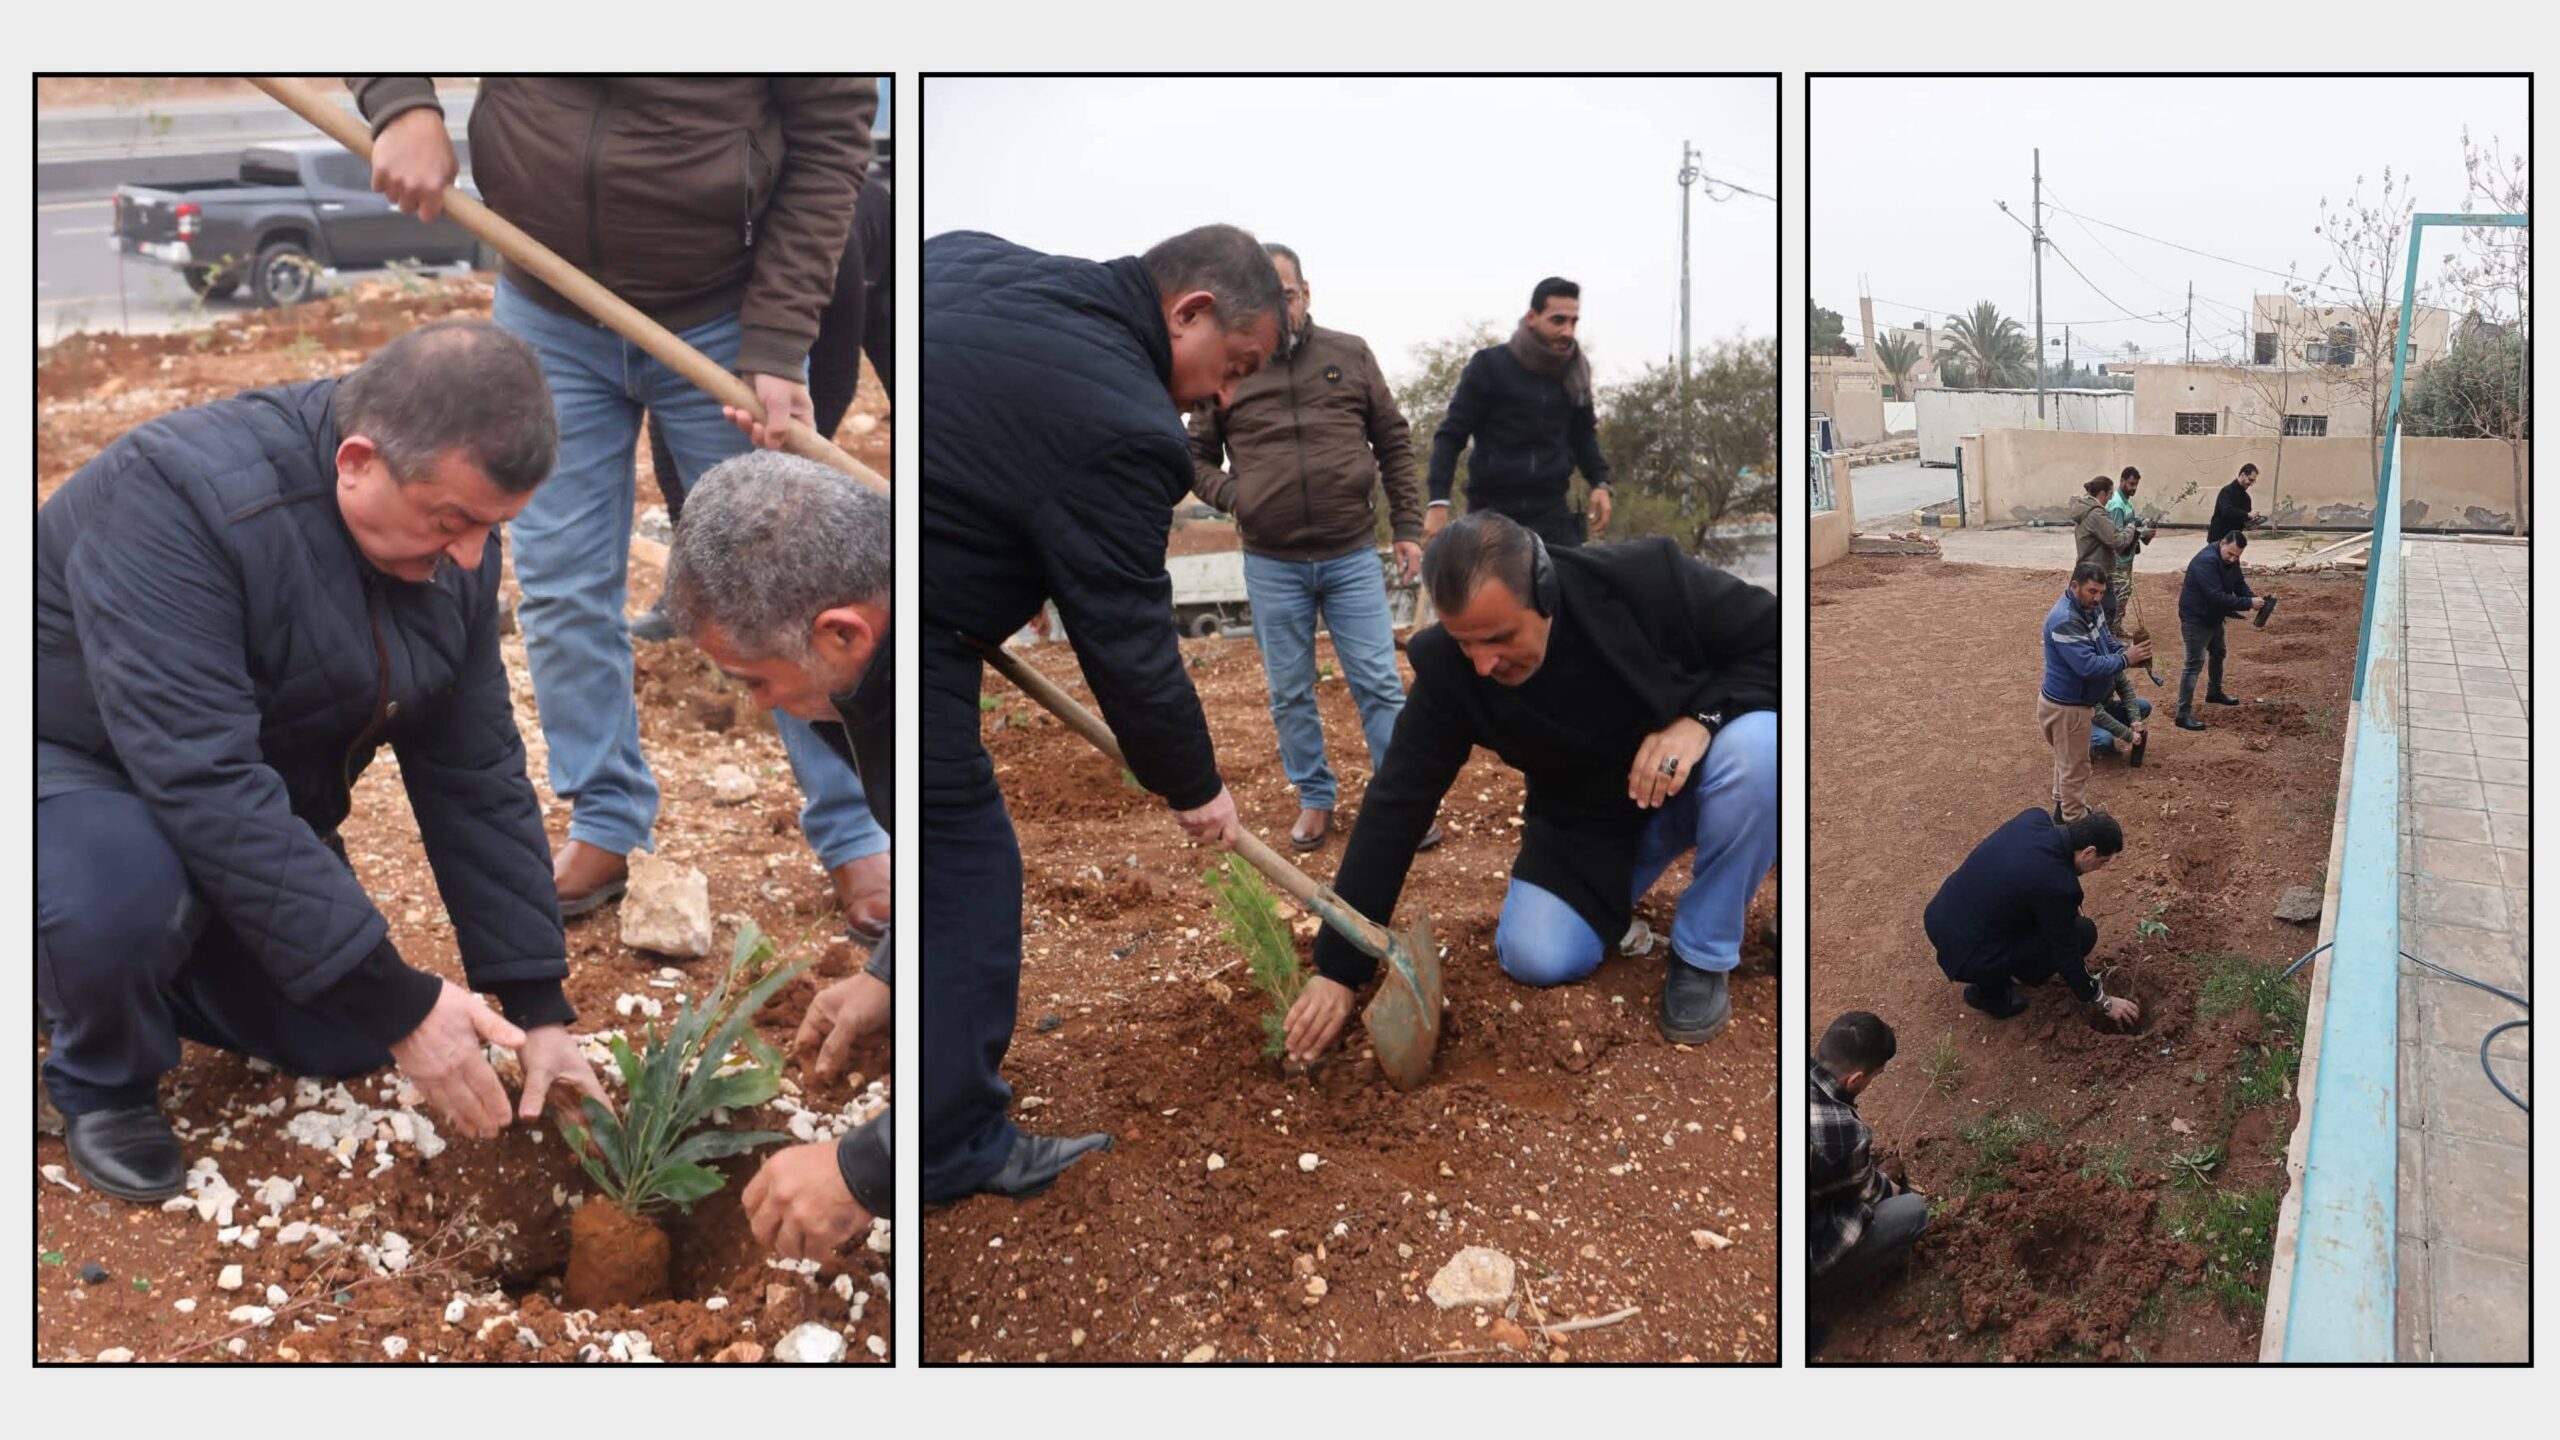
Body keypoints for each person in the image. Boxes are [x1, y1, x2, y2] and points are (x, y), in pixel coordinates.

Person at [36, 321, 606, 1201]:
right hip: (72, 762)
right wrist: (400, 1001)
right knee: (125, 901)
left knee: (340, 1035)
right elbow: (203, 778)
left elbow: (474, 769)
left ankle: (123, 963)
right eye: (452, 522)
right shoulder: (177, 501)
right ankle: (100, 1075)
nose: (468, 557)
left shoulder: (449, 538)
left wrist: (533, 1004)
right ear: (356, 460)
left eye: (490, 531)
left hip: (237, 784)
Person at [353, 76, 890, 937]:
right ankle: (604, 819)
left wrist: (782, 332)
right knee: (561, 584)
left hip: (721, 309)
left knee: (793, 588)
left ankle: (858, 825)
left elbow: (832, 135)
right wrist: (399, 101)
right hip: (548, 301)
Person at [922, 222, 1282, 1203]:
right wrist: (1196, 787)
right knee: (960, 863)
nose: (1223, 394)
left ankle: (900, 1017)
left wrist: (993, 537)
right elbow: (1127, 644)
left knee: (915, 852)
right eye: (1232, 365)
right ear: (1190, 311)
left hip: (825, 566)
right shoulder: (1129, 426)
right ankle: (947, 1146)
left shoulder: (967, 254)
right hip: (878, 627)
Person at [1281, 512, 1779, 1058]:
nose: (1483, 663)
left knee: (1760, 751)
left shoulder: (1643, 581)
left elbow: (1775, 640)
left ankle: (1703, 954)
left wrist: (1700, 722)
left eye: (1499, 638)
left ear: (1545, 593)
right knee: (1536, 955)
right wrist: (1339, 967)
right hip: (1587, 823)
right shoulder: (1455, 672)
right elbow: (1396, 804)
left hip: (1698, 781)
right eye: (1464, 642)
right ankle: (1613, 902)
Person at [662, 451, 893, 1256]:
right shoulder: (869, 654)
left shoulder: (917, 696)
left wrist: (870, 1169)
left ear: (840, 633)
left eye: (755, 680)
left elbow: (974, 893)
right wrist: (888, 976)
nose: (760, 707)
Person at [1187, 242, 1437, 853]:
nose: (1282, 309)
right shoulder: (1232, 366)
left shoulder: (1348, 355)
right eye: (1268, 299)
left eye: (1289, 296)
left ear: (1307, 293)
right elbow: (1191, 457)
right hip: (1272, 561)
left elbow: (1394, 441)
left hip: (1350, 552)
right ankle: (1315, 797)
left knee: (1378, 680)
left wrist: (1407, 526)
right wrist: (1236, 497)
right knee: (1289, 689)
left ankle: (1398, 801)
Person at [1424, 277, 1612, 549]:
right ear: (1532, 317)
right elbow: (1450, 436)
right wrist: (1437, 503)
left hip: (1553, 519)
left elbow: (1583, 436)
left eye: (1573, 322)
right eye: (1558, 320)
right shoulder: (1489, 366)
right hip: (1491, 518)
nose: (1567, 331)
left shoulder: (1575, 372)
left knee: (1573, 589)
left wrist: (1600, 482)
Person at [1925, 808, 2142, 1026]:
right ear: (2088, 852)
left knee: (2046, 918)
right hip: (1967, 955)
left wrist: (2063, 906)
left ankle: (1997, 970)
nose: (2100, 868)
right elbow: (2067, 953)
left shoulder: (2034, 818)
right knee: (2083, 933)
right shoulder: (2059, 887)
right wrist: (2101, 1000)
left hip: (1940, 916)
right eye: (2103, 861)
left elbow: (2031, 875)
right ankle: (1989, 993)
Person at [1809, 1011, 1927, 1305]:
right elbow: (1871, 1192)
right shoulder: (1844, 1131)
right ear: (1856, 1079)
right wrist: (1890, 1187)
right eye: (1875, 1075)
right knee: (1913, 1211)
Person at [2039, 562, 2152, 822]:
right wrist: (2127, 659)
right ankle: (2073, 823)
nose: (2098, 598)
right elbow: (2087, 666)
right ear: (2074, 585)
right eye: (2092, 591)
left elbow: (2105, 640)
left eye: (2101, 592)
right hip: (2068, 707)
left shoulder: (2091, 607)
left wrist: (2123, 649)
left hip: (2076, 703)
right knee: (2075, 769)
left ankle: (2062, 810)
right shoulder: (2065, 620)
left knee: (2066, 762)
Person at [2174, 531, 2264, 731]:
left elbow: (2238, 583)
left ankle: (2214, 692)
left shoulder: (2231, 559)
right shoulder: (2206, 561)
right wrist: (2248, 603)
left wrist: (2251, 596)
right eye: (2230, 554)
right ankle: (2182, 714)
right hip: (2196, 618)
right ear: (2222, 543)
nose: (2232, 559)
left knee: (2219, 652)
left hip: (2214, 616)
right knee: (2193, 664)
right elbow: (2216, 596)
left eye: (2237, 556)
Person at [2104, 464, 2158, 637]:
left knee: (2124, 594)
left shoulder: (2125, 501)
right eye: (2131, 484)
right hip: (2118, 560)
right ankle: (2112, 631)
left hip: (2126, 558)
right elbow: (2119, 536)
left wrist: (2141, 521)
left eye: (2136, 485)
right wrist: (2141, 531)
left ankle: (2116, 627)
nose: (2133, 488)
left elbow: (2130, 522)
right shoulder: (2117, 505)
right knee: (2119, 595)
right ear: (2121, 481)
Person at [2210, 462, 2267, 541]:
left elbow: (2244, 521)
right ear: (2243, 475)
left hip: (2233, 541)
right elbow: (2226, 511)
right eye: (2250, 480)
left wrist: (2251, 524)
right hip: (2218, 539)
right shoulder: (2226, 491)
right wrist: (2248, 515)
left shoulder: (2247, 498)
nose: (2251, 484)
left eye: (2254, 481)